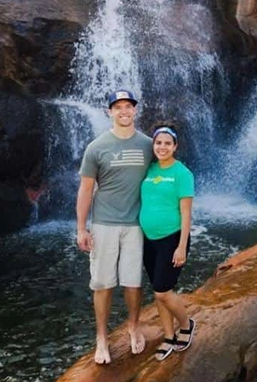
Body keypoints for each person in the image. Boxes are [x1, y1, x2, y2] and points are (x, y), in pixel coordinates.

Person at [76, 89, 153, 364]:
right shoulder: (96, 147)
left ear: (135, 110)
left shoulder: (148, 145)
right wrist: (81, 228)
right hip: (104, 224)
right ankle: (101, 338)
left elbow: (162, 178)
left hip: (135, 225)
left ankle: (133, 327)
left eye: (128, 106)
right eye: (118, 107)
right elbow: (86, 190)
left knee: (133, 284)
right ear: (110, 112)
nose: (123, 111)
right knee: (103, 284)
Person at [139, 123, 196, 361]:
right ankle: (169, 336)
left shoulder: (182, 174)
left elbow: (186, 214)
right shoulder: (149, 169)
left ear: (175, 147)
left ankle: (186, 325)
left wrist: (181, 246)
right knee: (159, 291)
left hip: (171, 239)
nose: (162, 147)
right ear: (153, 145)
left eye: (167, 143)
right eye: (158, 143)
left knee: (163, 291)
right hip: (148, 240)